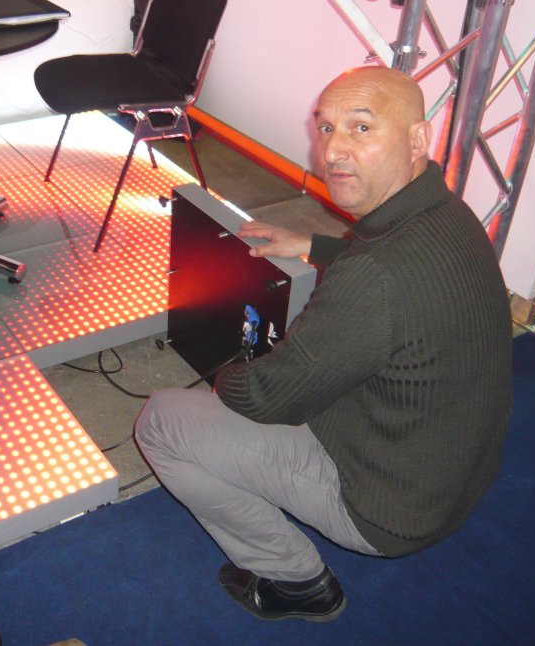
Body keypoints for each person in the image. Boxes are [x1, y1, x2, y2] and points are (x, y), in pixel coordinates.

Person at [135, 66, 513, 623]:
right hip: (454, 472)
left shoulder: (373, 279)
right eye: (327, 128)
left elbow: (266, 398)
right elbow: (388, 271)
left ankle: (297, 581)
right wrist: (314, 245)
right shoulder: (450, 215)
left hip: (390, 509)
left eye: (361, 128)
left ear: (417, 140)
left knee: (162, 421)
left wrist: (224, 369)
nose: (333, 150)